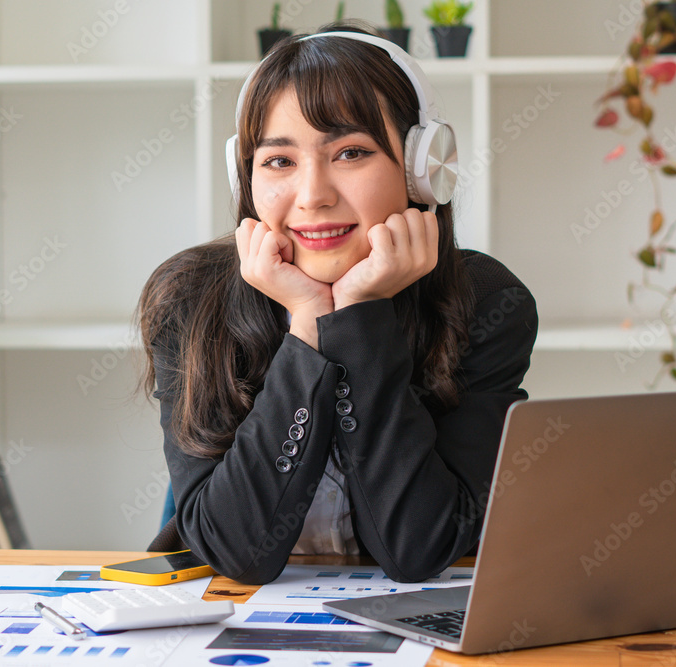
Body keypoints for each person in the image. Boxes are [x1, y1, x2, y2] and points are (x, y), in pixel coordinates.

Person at [134, 22, 538, 585]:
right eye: (279, 161)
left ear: (424, 170)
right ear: (245, 176)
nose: (313, 195)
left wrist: (358, 317)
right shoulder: (191, 300)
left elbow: (419, 549)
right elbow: (238, 552)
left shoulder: (486, 300)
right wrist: (307, 325)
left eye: (350, 152)